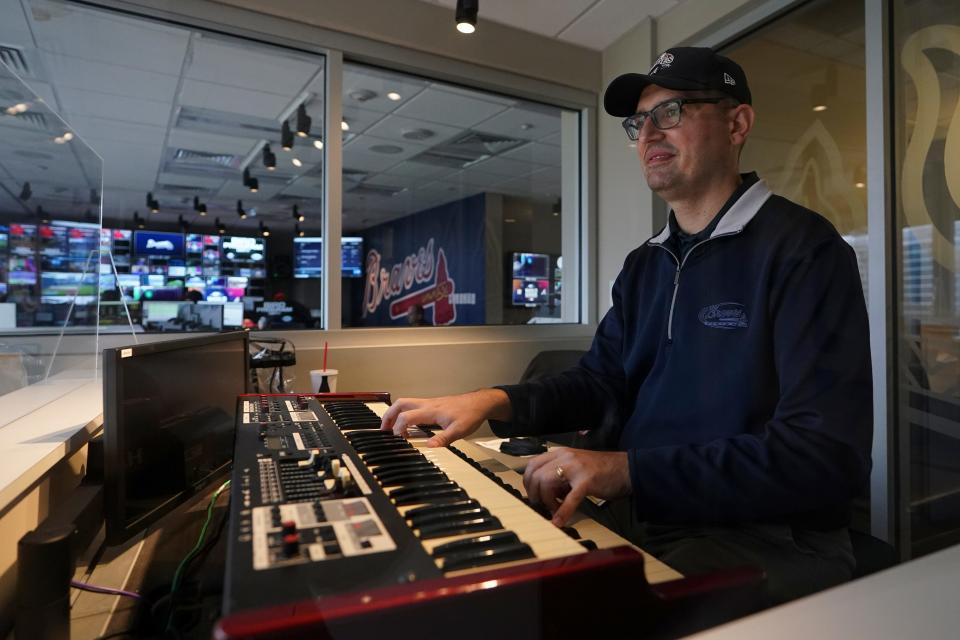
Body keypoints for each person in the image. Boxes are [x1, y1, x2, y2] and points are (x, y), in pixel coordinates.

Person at [380, 47, 872, 605]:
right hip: (647, 511)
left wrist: (628, 470)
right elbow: (600, 381)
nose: (647, 136)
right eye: (638, 122)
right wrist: (487, 400)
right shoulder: (646, 263)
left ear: (737, 124)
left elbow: (824, 458)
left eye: (671, 112)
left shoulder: (804, 250)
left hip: (766, 538)